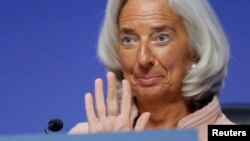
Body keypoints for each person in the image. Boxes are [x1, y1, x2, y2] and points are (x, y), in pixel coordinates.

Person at [69, 0, 234, 141]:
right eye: (129, 40)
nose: (143, 58)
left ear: (195, 50)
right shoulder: (86, 135)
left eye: (161, 38)